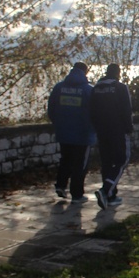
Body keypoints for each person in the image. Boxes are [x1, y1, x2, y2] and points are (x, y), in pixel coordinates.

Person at [47, 61, 95, 204]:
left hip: (64, 132)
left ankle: (61, 185)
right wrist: (93, 129)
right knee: (80, 164)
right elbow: (95, 112)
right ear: (85, 72)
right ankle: (77, 194)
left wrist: (59, 124)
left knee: (65, 160)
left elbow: (51, 109)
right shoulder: (88, 90)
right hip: (83, 134)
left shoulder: (59, 88)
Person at [90, 63, 134, 209]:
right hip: (118, 130)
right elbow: (126, 109)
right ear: (117, 73)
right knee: (122, 160)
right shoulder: (120, 87)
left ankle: (110, 196)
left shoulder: (96, 88)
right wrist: (129, 128)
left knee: (107, 162)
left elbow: (92, 111)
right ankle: (105, 189)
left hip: (102, 131)